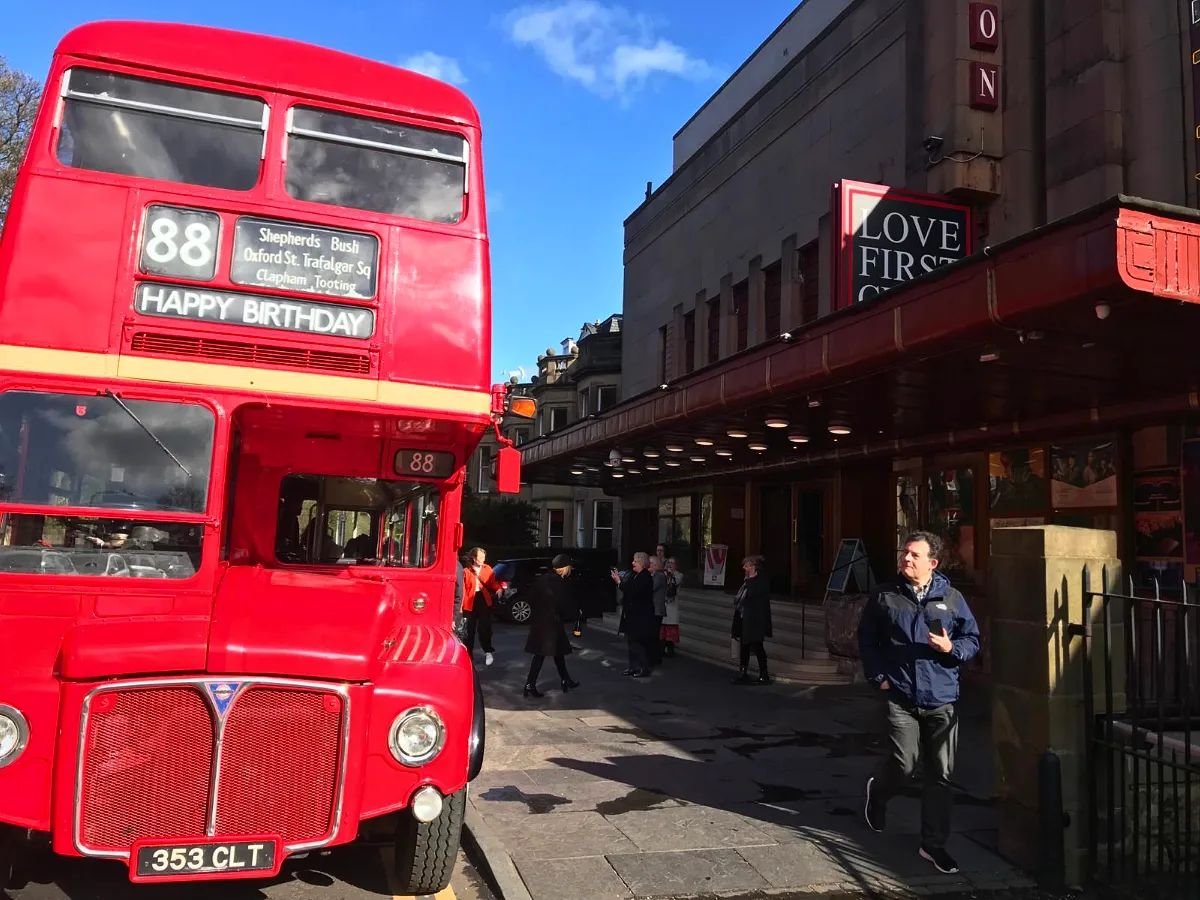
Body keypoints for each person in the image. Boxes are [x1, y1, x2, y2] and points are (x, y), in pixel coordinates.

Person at [858, 530, 981, 876]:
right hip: (901, 696)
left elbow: (972, 639)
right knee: (904, 765)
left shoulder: (952, 598)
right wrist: (878, 676)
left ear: (933, 563)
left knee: (940, 776)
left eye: (914, 555)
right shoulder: (885, 596)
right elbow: (867, 639)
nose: (906, 559)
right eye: (905, 553)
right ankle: (879, 794)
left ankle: (933, 844)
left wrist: (951, 650)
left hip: (942, 699)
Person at [523, 553, 581, 697]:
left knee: (557, 652)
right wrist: (574, 614)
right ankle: (530, 684)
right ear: (564, 568)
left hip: (540, 621)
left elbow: (530, 598)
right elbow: (563, 604)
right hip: (552, 624)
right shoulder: (559, 583)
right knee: (541, 654)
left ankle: (565, 679)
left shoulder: (542, 579)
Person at [612, 552, 656, 677]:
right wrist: (620, 581)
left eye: (635, 561)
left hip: (641, 616)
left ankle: (643, 667)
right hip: (631, 614)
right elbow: (628, 588)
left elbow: (633, 590)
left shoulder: (645, 576)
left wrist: (619, 582)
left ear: (642, 563)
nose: (633, 563)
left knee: (639, 643)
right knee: (631, 642)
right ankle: (633, 667)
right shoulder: (634, 575)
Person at [731, 554, 772, 684]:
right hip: (744, 618)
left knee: (758, 646)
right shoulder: (747, 581)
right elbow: (740, 600)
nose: (744, 568)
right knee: (744, 646)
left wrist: (749, 580)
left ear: (754, 567)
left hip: (756, 620)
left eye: (747, 565)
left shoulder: (761, 581)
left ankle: (764, 674)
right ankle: (743, 672)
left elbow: (754, 595)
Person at [462, 546, 502, 666]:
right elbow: (463, 590)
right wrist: (460, 607)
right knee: (469, 630)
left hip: (483, 600)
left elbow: (492, 582)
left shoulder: (487, 568)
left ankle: (488, 651)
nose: (483, 560)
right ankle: (469, 655)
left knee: (485, 628)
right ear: (474, 558)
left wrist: (498, 588)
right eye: (480, 557)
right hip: (470, 601)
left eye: (484, 557)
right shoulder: (466, 571)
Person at [648, 555, 668, 667]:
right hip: (653, 609)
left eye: (650, 563)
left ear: (655, 565)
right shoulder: (654, 575)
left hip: (657, 609)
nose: (648, 565)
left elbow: (651, 587)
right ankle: (654, 656)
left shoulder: (659, 576)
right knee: (652, 634)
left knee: (653, 634)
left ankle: (655, 657)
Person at [661, 557, 683, 657]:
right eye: (668, 562)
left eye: (672, 563)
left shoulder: (679, 575)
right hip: (663, 604)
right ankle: (662, 647)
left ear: (676, 565)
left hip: (672, 605)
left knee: (670, 627)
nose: (670, 564)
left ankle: (670, 649)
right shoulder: (663, 574)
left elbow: (675, 584)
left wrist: (670, 574)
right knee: (662, 627)